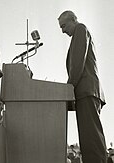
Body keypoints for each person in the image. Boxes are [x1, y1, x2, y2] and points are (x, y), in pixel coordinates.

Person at [58, 10, 107, 163]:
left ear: (73, 20)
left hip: (86, 90)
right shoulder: (79, 32)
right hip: (86, 91)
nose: (63, 30)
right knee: (89, 138)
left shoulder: (80, 29)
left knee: (91, 139)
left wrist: (69, 88)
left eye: (64, 25)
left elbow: (77, 63)